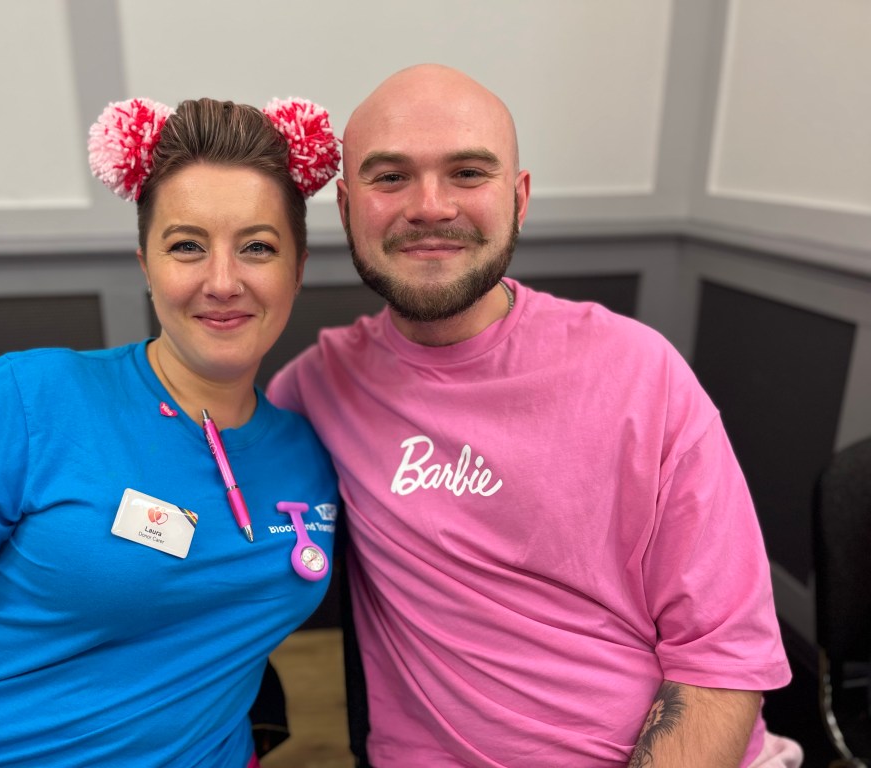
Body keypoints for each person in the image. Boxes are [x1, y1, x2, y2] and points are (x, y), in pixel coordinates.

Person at [267, 64, 803, 767]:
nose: (429, 206)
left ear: (518, 200)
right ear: (345, 208)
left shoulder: (641, 373)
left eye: (467, 173)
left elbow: (722, 658)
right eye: (390, 177)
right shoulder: (322, 385)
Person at [0, 95, 341, 767]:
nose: (223, 281)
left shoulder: (310, 457)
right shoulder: (26, 404)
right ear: (145, 264)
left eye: (257, 247)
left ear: (298, 268)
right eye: (187, 246)